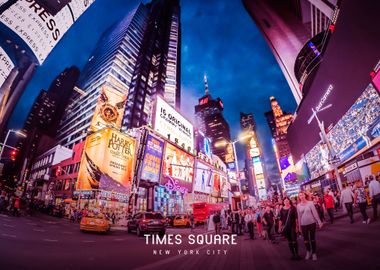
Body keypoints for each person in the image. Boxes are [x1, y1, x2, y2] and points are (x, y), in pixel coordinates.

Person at [297, 191, 323, 261]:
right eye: (300, 196)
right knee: (305, 240)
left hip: (312, 223)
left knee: (312, 239)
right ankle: (308, 251)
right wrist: (299, 227)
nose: (301, 196)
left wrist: (319, 222)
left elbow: (315, 213)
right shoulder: (298, 206)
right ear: (299, 197)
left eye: (302, 195)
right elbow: (299, 217)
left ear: (304, 195)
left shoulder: (310, 203)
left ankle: (314, 253)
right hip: (303, 224)